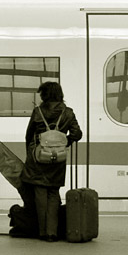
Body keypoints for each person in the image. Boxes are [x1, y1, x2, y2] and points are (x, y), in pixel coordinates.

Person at [20, 81, 82, 242]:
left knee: (40, 192)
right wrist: (63, 143)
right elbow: (77, 134)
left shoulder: (38, 112)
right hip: (58, 159)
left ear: (45, 95)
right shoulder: (68, 113)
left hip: (39, 158)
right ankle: (52, 233)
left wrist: (32, 153)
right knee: (53, 193)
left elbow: (29, 135)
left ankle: (42, 232)